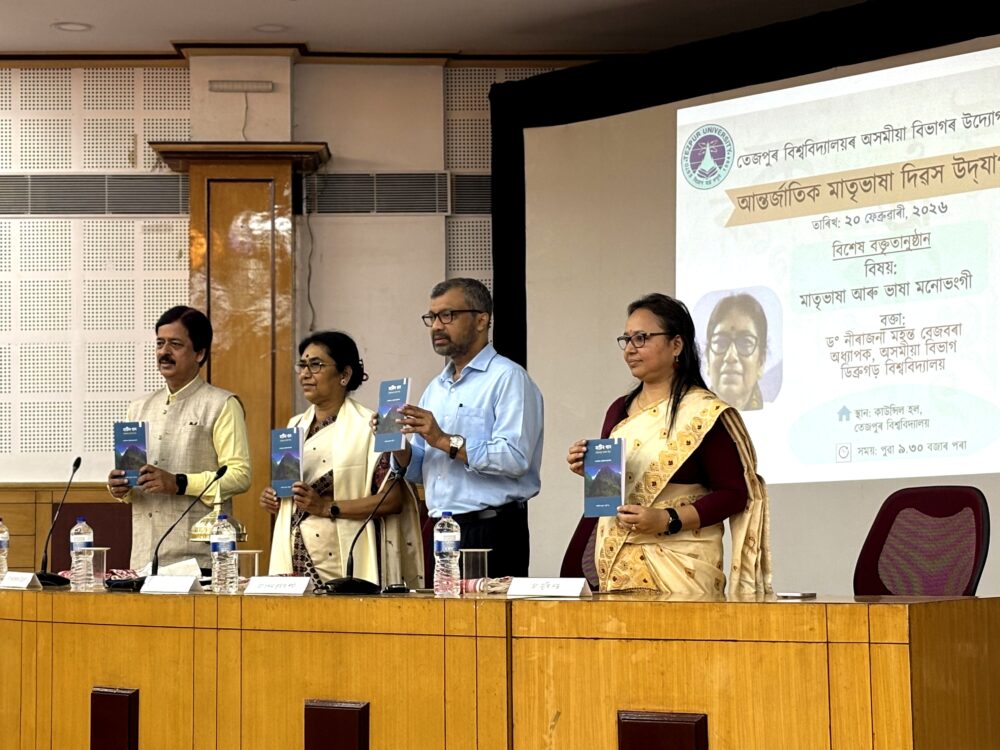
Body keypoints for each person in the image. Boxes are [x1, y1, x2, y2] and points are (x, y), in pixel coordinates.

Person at [566, 293, 771, 595]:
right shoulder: (619, 410)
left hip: (679, 570)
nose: (630, 349)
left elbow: (734, 494)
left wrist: (667, 519)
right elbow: (611, 493)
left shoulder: (704, 413)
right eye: (627, 339)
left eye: (641, 338)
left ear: (676, 345)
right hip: (614, 562)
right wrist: (590, 469)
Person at [388, 278, 544, 578]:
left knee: (488, 611)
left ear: (481, 320)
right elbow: (421, 470)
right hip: (442, 530)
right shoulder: (436, 388)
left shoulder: (508, 378)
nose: (436, 326)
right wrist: (399, 446)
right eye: (432, 317)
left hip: (491, 528)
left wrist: (444, 440)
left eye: (448, 315)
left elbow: (515, 458)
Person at [260, 331, 423, 589]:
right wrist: (275, 499)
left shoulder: (371, 425)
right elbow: (292, 496)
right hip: (296, 555)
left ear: (344, 374)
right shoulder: (295, 426)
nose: (305, 374)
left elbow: (392, 500)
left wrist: (327, 507)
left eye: (316, 365)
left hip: (345, 557)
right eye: (302, 365)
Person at [106, 306, 252, 570]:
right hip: (143, 559)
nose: (164, 352)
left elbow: (239, 475)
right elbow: (134, 485)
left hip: (200, 561)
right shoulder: (138, 408)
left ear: (199, 353)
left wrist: (180, 483)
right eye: (159, 343)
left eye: (175, 344)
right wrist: (121, 489)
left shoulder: (221, 404)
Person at [705, 293, 768, 411]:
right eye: (720, 342)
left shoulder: (777, 416)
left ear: (761, 362)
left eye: (745, 343)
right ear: (708, 360)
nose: (731, 356)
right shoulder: (688, 417)